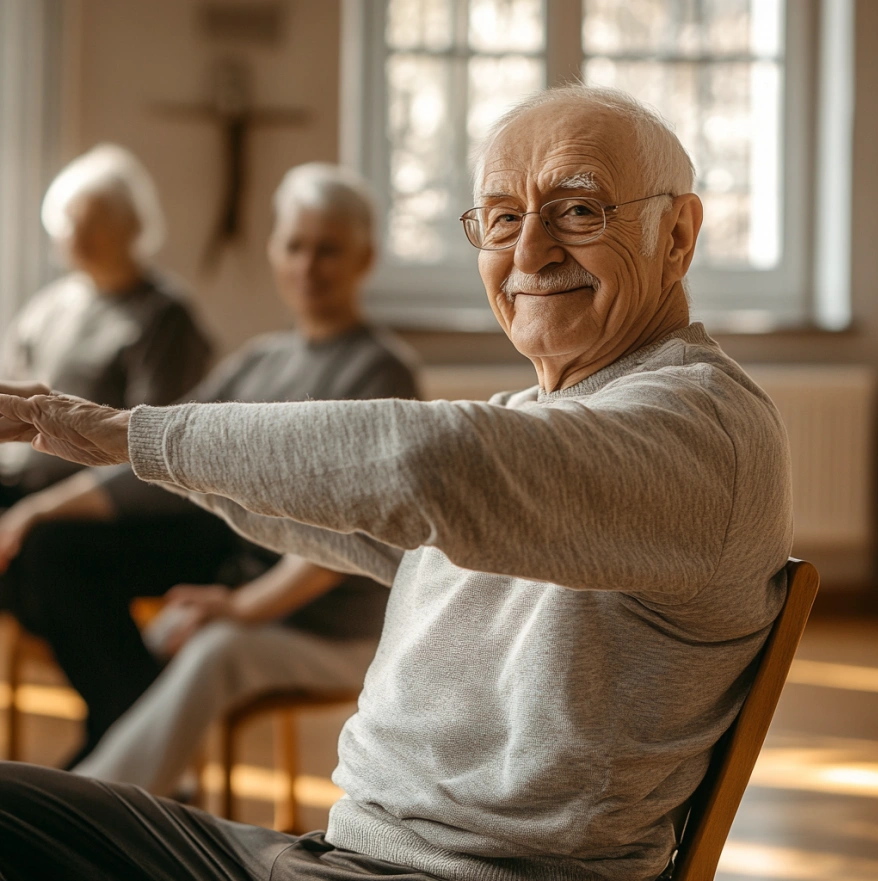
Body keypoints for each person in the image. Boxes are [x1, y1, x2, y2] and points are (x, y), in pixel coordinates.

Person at [0, 86, 792, 881]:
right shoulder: (535, 414)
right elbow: (361, 525)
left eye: (578, 211)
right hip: (331, 853)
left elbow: (425, 464)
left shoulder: (703, 425)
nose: (529, 253)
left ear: (676, 235)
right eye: (502, 217)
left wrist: (128, 434)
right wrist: (121, 451)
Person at [0, 162, 418, 771]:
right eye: (295, 246)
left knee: (204, 647)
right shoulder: (262, 360)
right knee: (122, 632)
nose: (308, 266)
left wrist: (241, 607)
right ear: (274, 252)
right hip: (244, 577)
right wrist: (40, 508)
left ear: (365, 258)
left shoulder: (382, 370)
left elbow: (350, 535)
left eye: (328, 250)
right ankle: (99, 787)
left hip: (322, 620)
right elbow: (156, 443)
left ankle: (88, 802)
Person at [0, 143, 211, 505]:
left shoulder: (164, 316)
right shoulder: (49, 306)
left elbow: (154, 443)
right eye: (69, 222)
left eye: (95, 223)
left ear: (131, 226)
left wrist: (40, 510)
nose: (78, 235)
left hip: (89, 504)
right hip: (21, 482)